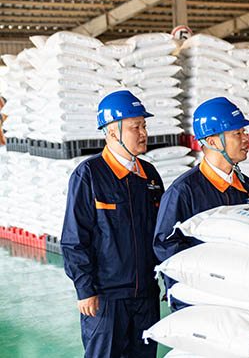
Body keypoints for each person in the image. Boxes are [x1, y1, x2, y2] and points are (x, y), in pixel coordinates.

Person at [61, 90, 163, 358]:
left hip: (146, 297)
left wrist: (168, 277)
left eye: (144, 126)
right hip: (106, 299)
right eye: (135, 127)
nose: (144, 133)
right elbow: (74, 239)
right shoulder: (89, 175)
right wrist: (84, 290)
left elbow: (160, 234)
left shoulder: (150, 176)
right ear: (113, 132)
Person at [153, 97, 249, 310]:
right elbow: (165, 245)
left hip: (239, 293)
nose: (246, 139)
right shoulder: (183, 192)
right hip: (198, 299)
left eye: (244, 132)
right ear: (212, 142)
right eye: (237, 133)